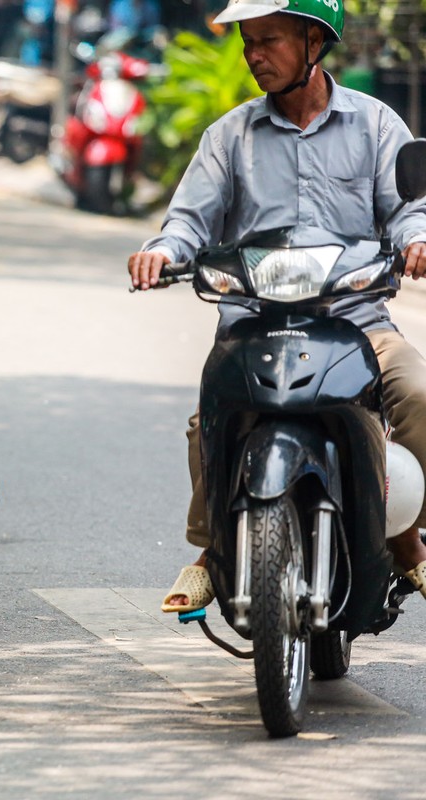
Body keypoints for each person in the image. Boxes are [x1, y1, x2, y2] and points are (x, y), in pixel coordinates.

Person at [126, 0, 426, 613]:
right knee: (212, 411)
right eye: (248, 42)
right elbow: (188, 219)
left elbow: (406, 210)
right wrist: (162, 249)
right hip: (256, 326)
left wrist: (418, 239)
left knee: (419, 395)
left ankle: (406, 539)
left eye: (268, 40)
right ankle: (212, 553)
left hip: (357, 324)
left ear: (314, 42)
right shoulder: (229, 137)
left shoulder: (375, 126)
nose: (252, 55)